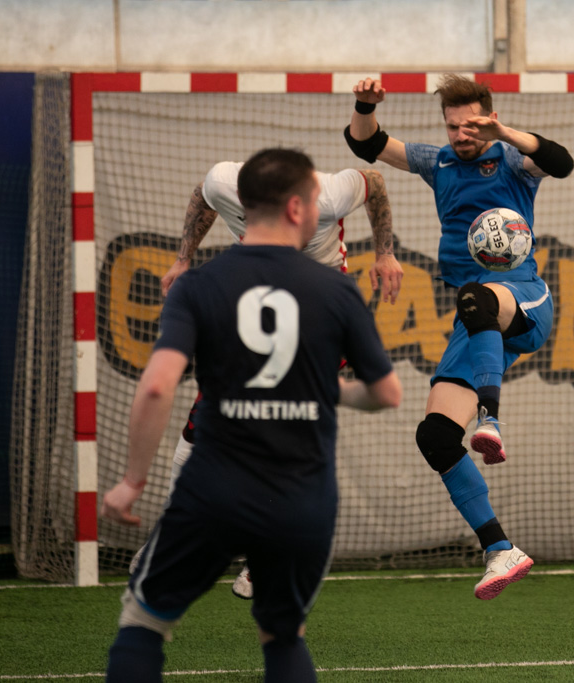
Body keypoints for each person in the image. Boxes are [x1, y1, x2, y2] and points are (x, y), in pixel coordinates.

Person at [101, 147, 402, 682]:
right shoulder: (338, 291)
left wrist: (131, 482)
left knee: (143, 624)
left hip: (212, 490)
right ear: (297, 208)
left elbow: (156, 387)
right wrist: (325, 390)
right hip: (302, 497)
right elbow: (387, 394)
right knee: (284, 638)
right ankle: (256, 559)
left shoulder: (202, 285)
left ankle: (180, 528)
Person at [345, 73, 574, 599]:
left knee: (477, 296)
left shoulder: (513, 160)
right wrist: (364, 104)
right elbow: (367, 143)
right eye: (453, 126)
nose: (461, 135)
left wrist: (504, 133)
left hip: (522, 298)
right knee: (436, 437)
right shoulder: (438, 162)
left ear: (489, 118)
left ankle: (491, 418)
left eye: (471, 126)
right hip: (472, 318)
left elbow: (561, 161)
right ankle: (499, 548)